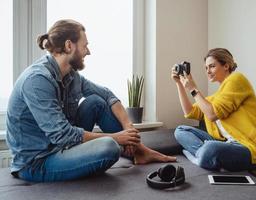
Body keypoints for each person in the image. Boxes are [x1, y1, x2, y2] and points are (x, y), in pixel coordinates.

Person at [6, 19, 176, 182]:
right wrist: (117, 138)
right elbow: (63, 135)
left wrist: (128, 128)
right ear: (68, 45)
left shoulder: (71, 75)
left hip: (62, 147)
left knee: (95, 102)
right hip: (38, 161)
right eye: (85, 45)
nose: (88, 51)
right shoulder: (37, 80)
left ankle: (140, 152)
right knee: (110, 147)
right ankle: (134, 150)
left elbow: (107, 95)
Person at [172, 48, 256, 171]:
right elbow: (189, 112)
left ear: (226, 66)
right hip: (226, 143)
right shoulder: (216, 97)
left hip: (249, 146)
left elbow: (212, 114)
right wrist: (179, 84)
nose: (208, 71)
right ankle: (206, 158)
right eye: (206, 68)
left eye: (212, 66)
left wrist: (193, 89)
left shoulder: (237, 79)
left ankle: (202, 158)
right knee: (180, 130)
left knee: (211, 148)